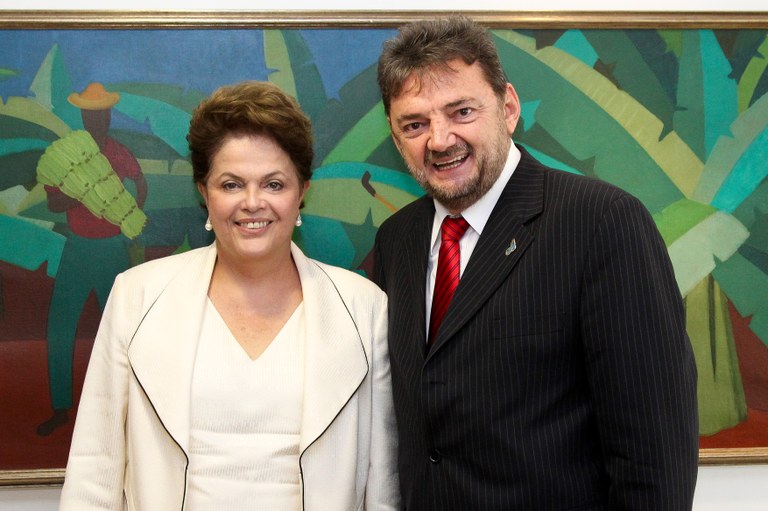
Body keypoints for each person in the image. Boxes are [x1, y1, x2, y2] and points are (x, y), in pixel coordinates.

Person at [373, 16, 698, 510]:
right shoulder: (397, 240)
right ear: (397, 139)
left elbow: (655, 459)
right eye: (415, 124)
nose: (439, 140)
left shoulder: (602, 222)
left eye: (461, 112)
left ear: (507, 108)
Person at [60, 81, 400, 510]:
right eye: (232, 184)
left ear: (302, 193)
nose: (253, 203)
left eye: (274, 184)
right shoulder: (137, 296)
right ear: (204, 192)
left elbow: (382, 483)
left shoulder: (363, 308)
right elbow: (95, 466)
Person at [37, 82, 147, 436]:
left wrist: (130, 208)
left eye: (101, 114)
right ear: (83, 116)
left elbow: (140, 183)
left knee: (122, 332)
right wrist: (81, 193)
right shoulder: (67, 155)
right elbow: (53, 202)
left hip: (112, 248)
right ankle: (60, 408)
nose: (96, 119)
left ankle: (128, 411)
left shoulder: (118, 152)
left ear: (108, 116)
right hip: (77, 248)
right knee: (59, 328)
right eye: (90, 114)